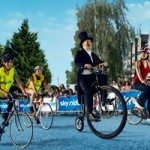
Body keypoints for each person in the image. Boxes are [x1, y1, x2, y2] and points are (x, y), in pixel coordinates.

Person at [74, 31, 108, 121]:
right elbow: (77, 63)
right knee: (88, 91)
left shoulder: (93, 55)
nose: (89, 43)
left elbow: (100, 62)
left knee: (103, 78)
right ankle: (90, 113)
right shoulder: (79, 53)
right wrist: (84, 65)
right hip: (83, 78)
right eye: (87, 42)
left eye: (90, 41)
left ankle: (104, 100)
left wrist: (105, 66)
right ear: (82, 44)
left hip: (92, 77)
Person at [0, 54, 26, 126]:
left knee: (13, 98)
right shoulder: (0, 71)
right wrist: (4, 92)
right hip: (1, 92)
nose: (9, 63)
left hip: (6, 93)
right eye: (7, 62)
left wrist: (24, 92)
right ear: (3, 63)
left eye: (11, 62)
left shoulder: (13, 71)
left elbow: (18, 82)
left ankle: (6, 117)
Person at [132, 46, 150, 120]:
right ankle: (139, 102)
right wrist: (142, 80)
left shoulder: (149, 64)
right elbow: (138, 72)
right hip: (136, 83)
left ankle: (149, 113)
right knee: (148, 89)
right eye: (141, 53)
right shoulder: (138, 62)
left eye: (144, 53)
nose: (142, 54)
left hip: (143, 83)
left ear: (147, 54)